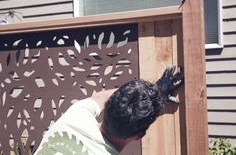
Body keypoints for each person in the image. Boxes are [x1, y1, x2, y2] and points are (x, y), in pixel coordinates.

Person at [34, 66, 183, 155]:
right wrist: (157, 92)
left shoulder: (74, 117)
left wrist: (155, 92)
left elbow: (99, 98)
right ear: (139, 135)